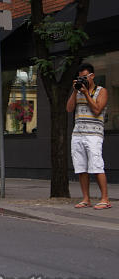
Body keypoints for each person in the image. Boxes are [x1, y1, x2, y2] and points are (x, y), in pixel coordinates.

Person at [66, 63, 111, 210]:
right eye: (79, 77)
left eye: (84, 77)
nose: (82, 80)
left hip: (94, 135)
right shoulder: (78, 92)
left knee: (96, 165)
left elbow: (97, 109)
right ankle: (86, 199)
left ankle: (105, 199)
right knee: (81, 167)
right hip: (77, 134)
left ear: (92, 76)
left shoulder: (101, 91)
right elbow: (69, 108)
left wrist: (86, 93)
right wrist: (75, 91)